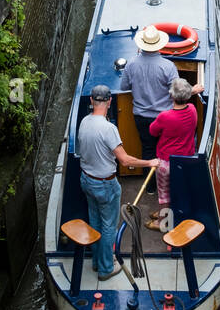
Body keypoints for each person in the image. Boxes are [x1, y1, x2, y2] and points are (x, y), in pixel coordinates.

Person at [75, 84, 152, 280]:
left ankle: (95, 262)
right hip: (105, 185)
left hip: (86, 180)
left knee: (95, 222)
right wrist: (150, 162)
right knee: (109, 225)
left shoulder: (84, 122)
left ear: (92, 101)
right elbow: (125, 160)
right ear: (110, 102)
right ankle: (106, 268)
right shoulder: (109, 129)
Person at [119, 25, 203, 196]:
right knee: (167, 150)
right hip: (164, 116)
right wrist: (194, 90)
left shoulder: (131, 65)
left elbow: (124, 86)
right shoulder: (168, 66)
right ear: (159, 45)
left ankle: (150, 188)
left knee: (148, 149)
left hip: (141, 116)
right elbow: (178, 90)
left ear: (141, 44)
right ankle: (172, 186)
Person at [147, 78, 198, 229]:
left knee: (164, 194)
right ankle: (170, 214)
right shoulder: (193, 109)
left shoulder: (165, 116)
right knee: (179, 189)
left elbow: (152, 131)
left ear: (171, 96)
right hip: (185, 160)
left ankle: (162, 222)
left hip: (166, 162)